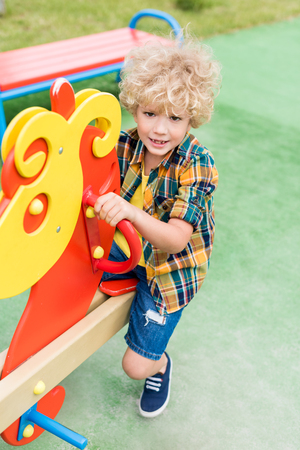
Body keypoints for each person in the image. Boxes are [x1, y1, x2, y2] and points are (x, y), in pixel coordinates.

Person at [94, 32, 222, 418]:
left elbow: (177, 240)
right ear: (134, 110)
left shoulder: (198, 164)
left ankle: (160, 364)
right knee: (75, 284)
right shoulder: (125, 145)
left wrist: (130, 213)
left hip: (169, 270)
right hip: (129, 246)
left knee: (135, 366)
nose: (160, 130)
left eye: (175, 118)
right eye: (151, 114)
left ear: (192, 118)